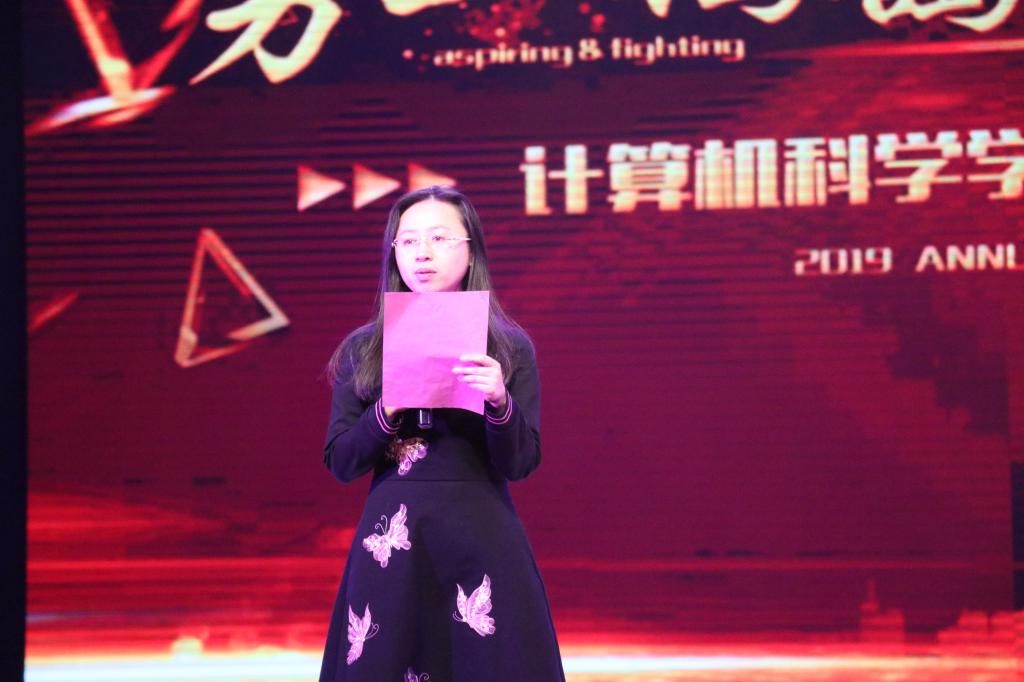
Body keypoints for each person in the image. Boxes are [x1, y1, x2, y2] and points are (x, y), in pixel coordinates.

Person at [319, 186, 565, 681]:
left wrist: (499, 402)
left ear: (471, 249)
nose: (422, 253)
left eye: (438, 238)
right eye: (408, 241)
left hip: (481, 535)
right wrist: (387, 408)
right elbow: (342, 462)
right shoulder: (365, 348)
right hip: (393, 543)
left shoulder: (508, 347)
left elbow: (521, 463)